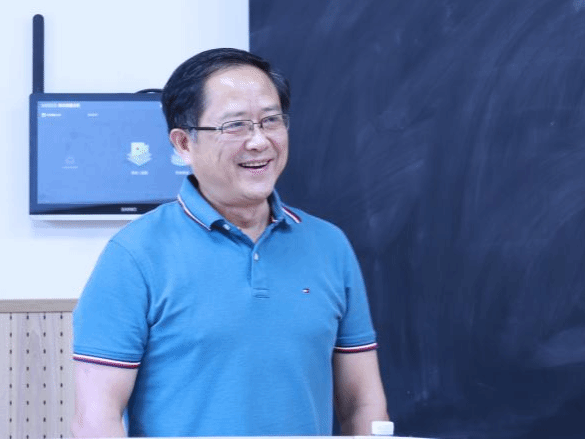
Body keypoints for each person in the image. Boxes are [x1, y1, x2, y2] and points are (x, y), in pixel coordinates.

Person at [71, 48, 389, 437]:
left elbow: (362, 404)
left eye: (271, 120)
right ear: (183, 143)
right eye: (235, 125)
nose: (259, 141)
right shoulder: (134, 255)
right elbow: (96, 419)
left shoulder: (330, 246)